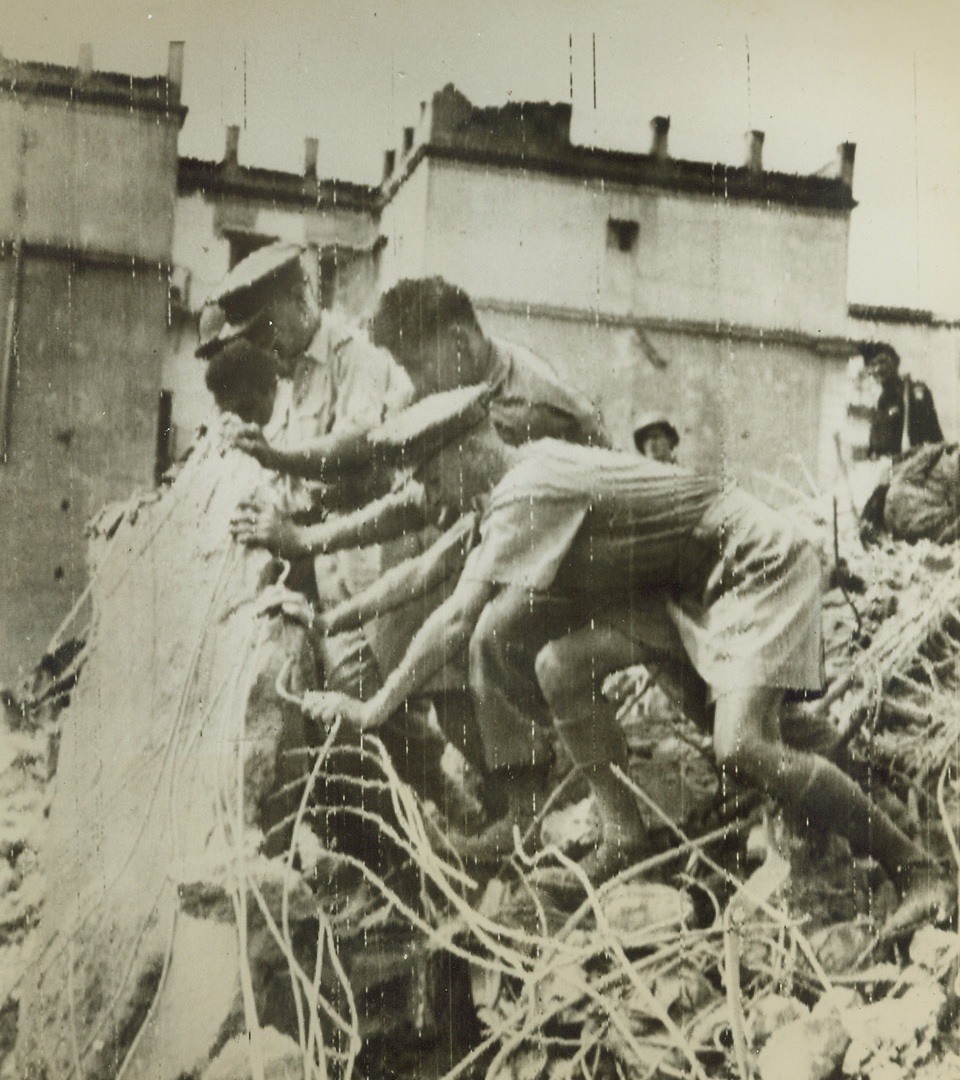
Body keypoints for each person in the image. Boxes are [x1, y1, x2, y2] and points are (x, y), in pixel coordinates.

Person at [302, 385, 953, 937]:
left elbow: (456, 618)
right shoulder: (509, 482)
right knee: (560, 667)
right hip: (681, 585)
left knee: (743, 744)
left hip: (748, 563)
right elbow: (430, 568)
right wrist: (332, 619)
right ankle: (624, 836)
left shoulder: (530, 488)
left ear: (467, 449)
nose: (425, 490)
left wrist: (371, 706)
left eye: (429, 473)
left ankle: (916, 868)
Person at [864, 343, 943, 458]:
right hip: (883, 469)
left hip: (909, 468)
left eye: (882, 362)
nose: (877, 369)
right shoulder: (881, 401)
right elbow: (874, 445)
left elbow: (934, 437)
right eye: (873, 364)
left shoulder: (913, 393)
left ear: (895, 362)